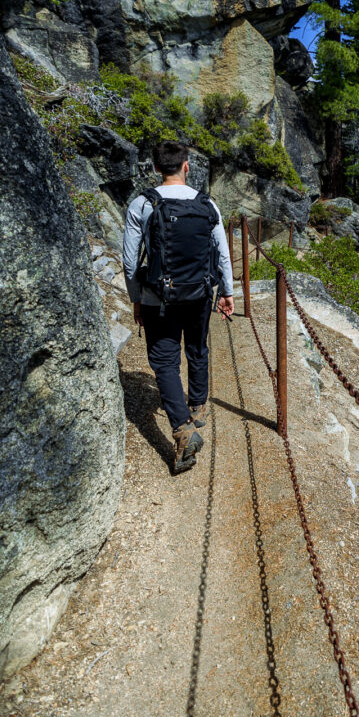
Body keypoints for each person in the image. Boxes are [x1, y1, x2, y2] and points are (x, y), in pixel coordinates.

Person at [123, 141, 234, 473]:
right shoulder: (206, 203)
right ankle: (197, 407)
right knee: (197, 347)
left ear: (156, 168)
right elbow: (222, 254)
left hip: (159, 298)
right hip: (200, 294)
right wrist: (226, 292)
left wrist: (137, 298)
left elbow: (130, 262)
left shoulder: (142, 204)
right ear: (186, 166)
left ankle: (182, 427)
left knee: (164, 360)